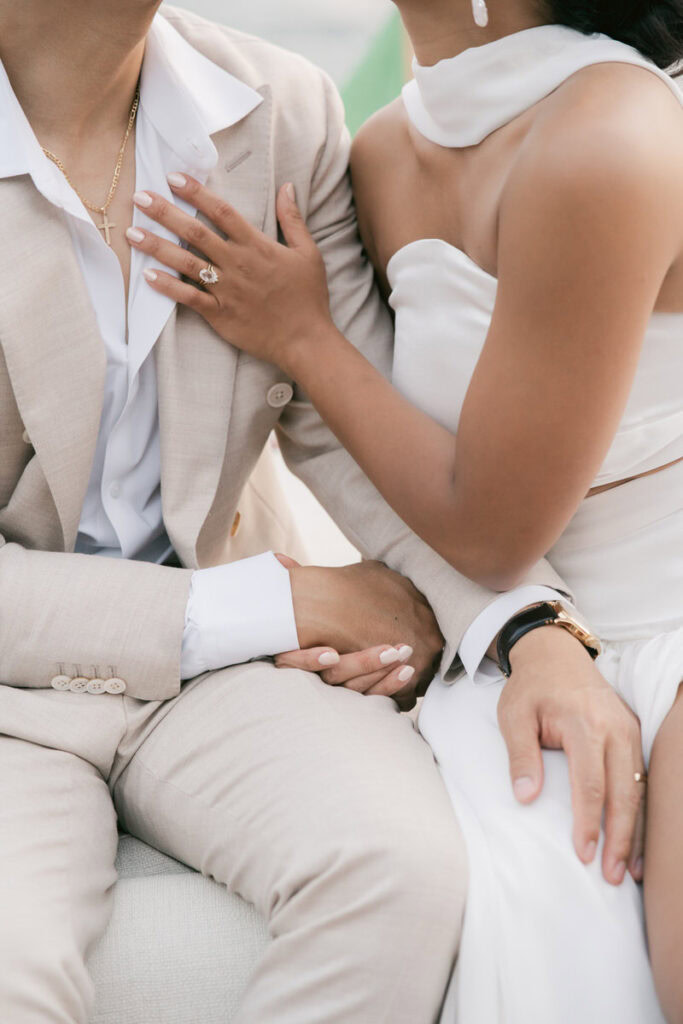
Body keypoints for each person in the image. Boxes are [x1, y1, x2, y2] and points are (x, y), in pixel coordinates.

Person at [0, 2, 649, 1022]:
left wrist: (532, 630)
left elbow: (353, 434)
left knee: (397, 873)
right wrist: (277, 604)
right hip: (17, 689)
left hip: (212, 686)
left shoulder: (276, 111)